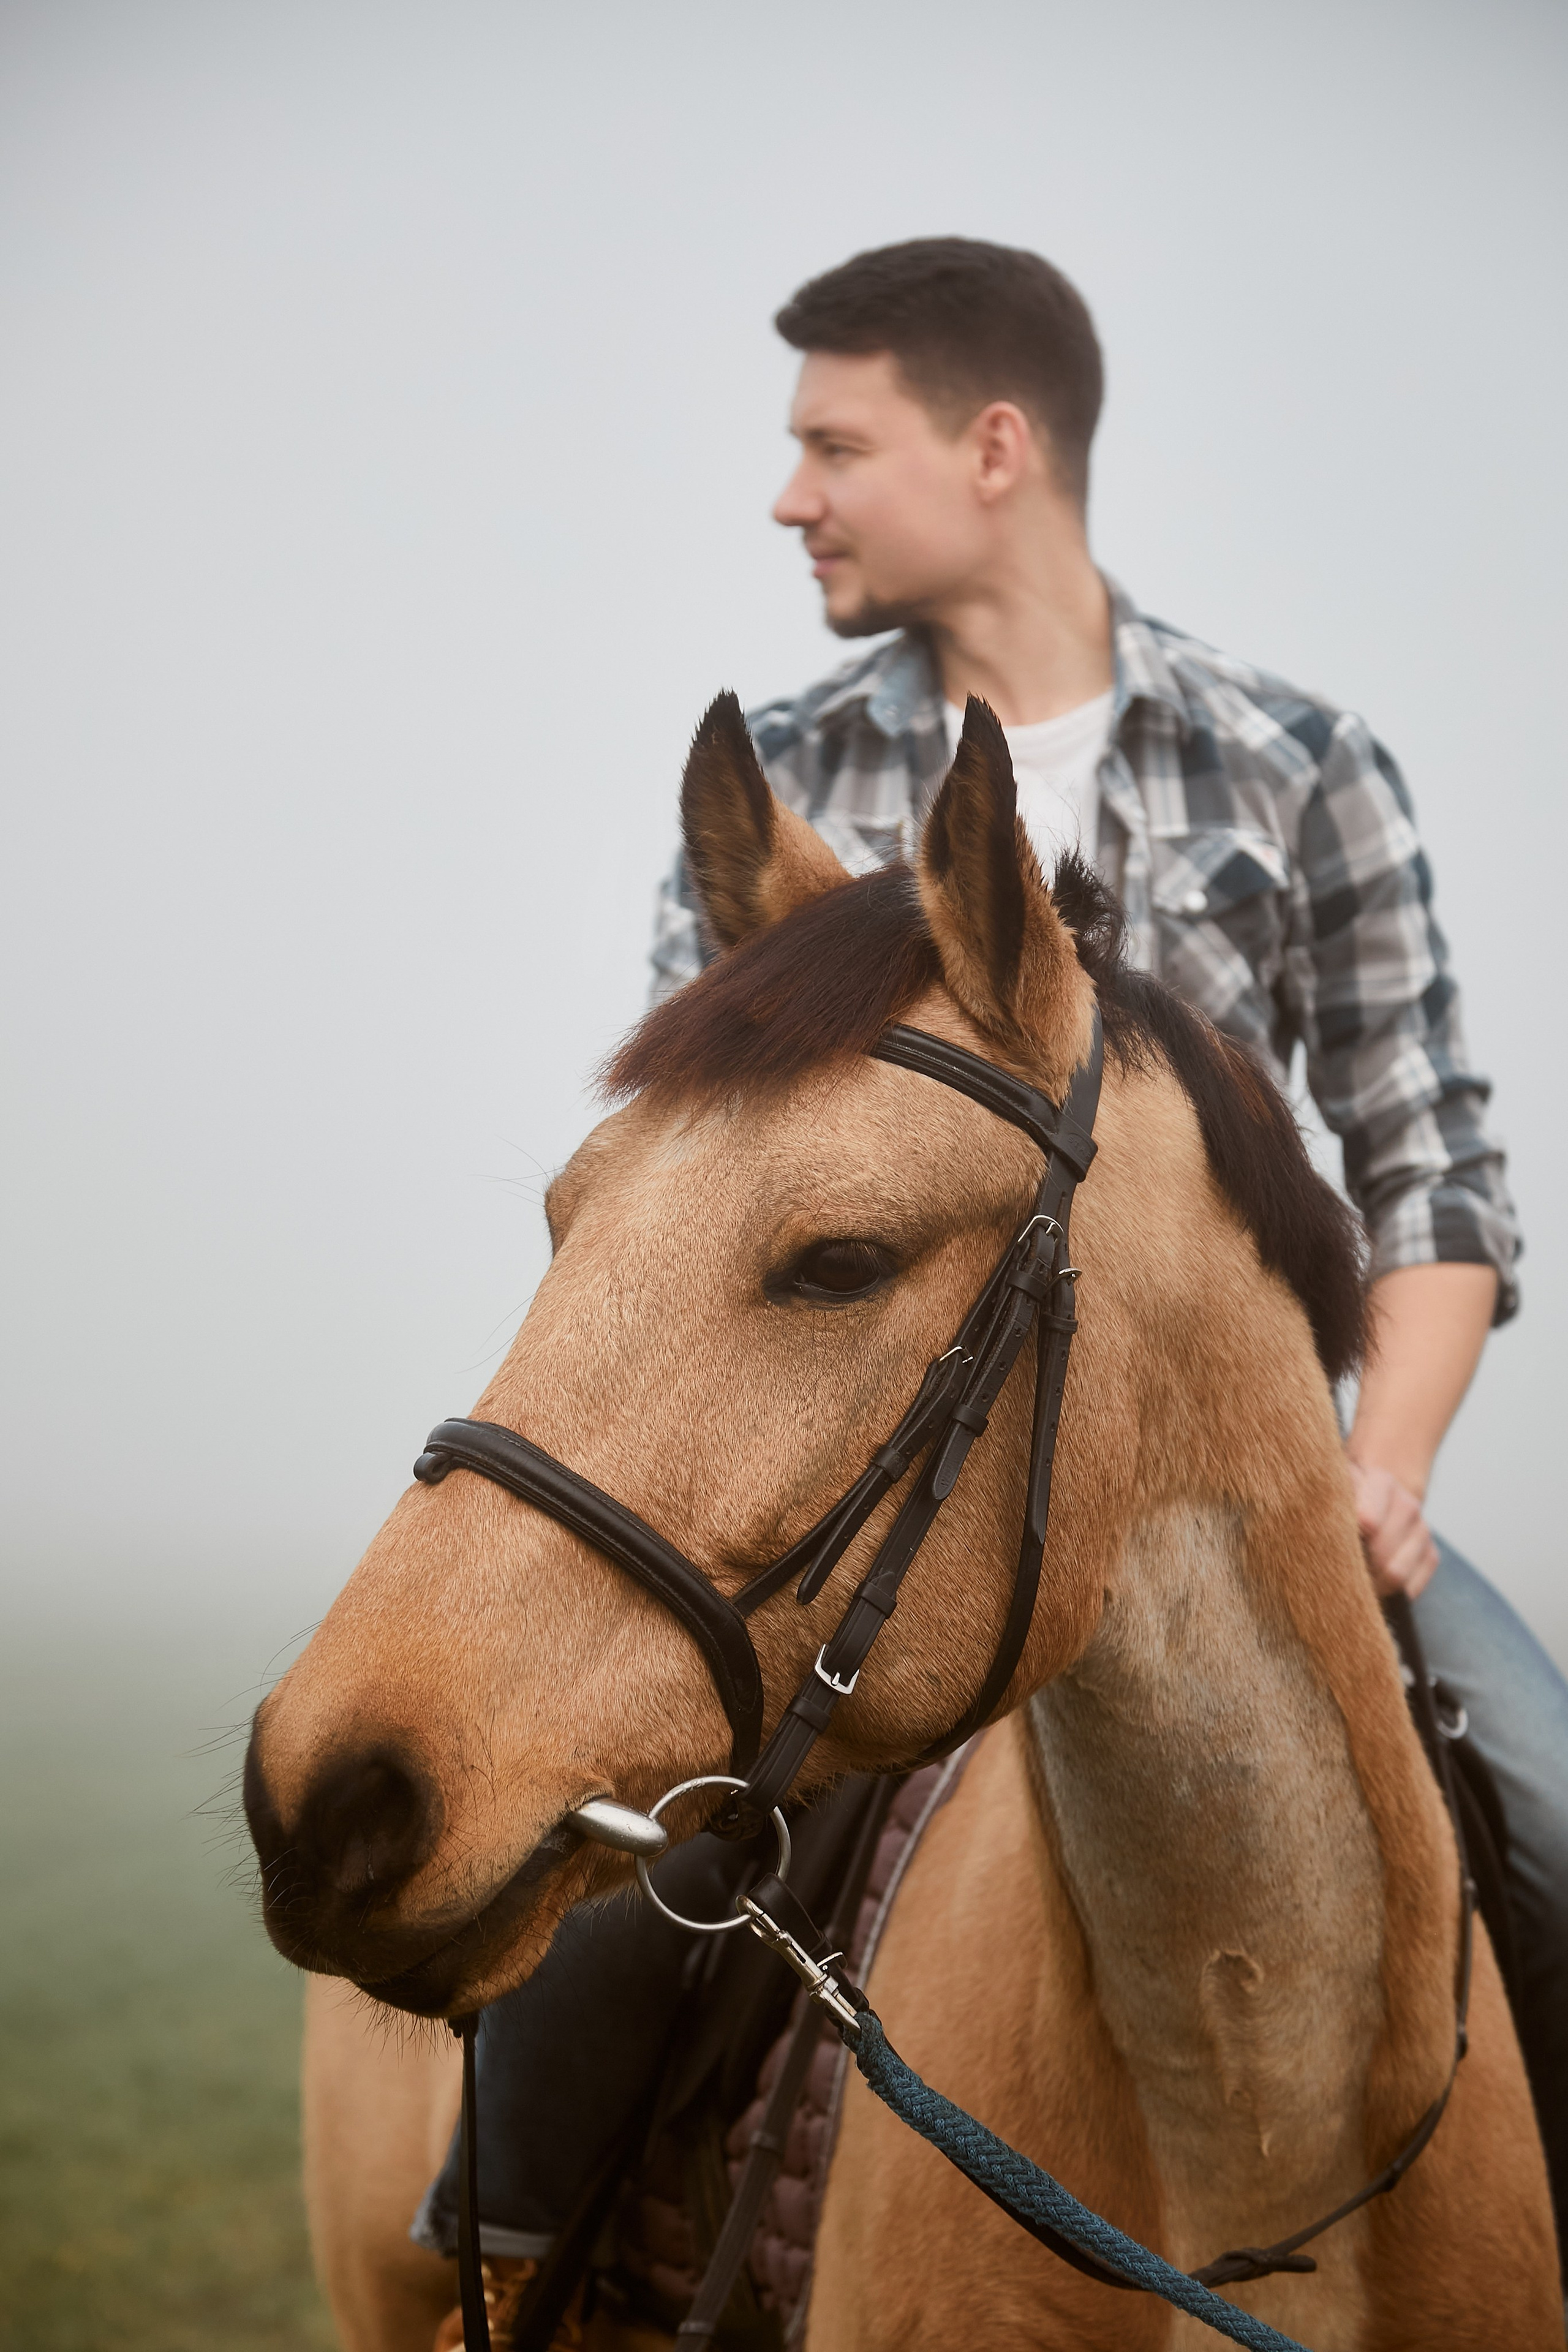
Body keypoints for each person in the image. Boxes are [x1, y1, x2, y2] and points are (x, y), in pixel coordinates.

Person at [420, 237, 1566, 2299]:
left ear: (996, 447)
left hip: (1257, 1505)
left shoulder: (1299, 762)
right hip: (868, 1510)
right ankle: (506, 2265)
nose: (792, 498)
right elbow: (703, 1208)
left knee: (1558, 1819)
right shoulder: (781, 781)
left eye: (833, 446)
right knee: (621, 1887)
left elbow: (1435, 1184)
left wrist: (1380, 1464)